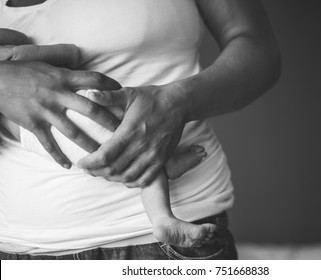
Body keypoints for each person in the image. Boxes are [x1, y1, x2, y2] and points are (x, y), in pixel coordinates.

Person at [0, 0, 280, 260]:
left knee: (119, 136)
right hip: (18, 242)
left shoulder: (17, 52)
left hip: (156, 236)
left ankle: (162, 214)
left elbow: (70, 53)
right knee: (102, 143)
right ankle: (164, 188)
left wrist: (175, 103)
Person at [0, 28, 217, 248]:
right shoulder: (11, 56)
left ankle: (166, 179)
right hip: (64, 113)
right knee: (131, 140)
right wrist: (20, 54)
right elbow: (70, 54)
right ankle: (162, 216)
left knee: (130, 150)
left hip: (36, 140)